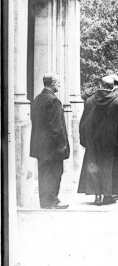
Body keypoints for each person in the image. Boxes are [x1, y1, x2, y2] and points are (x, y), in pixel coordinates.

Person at [78, 75, 118, 206]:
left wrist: (83, 140)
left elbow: (83, 123)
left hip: (93, 142)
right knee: (108, 167)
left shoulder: (89, 101)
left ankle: (97, 196)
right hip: (111, 142)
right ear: (112, 87)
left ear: (100, 85)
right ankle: (107, 195)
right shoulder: (117, 102)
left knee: (94, 167)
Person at [29, 73, 70, 209]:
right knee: (55, 173)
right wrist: (62, 145)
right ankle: (53, 200)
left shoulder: (37, 99)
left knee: (43, 173)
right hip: (52, 146)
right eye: (58, 82)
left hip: (39, 145)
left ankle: (45, 202)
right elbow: (56, 127)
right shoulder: (53, 101)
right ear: (52, 84)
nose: (59, 84)